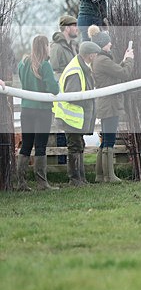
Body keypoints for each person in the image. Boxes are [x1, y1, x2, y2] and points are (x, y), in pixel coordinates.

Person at [88, 25, 134, 183]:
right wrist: (129, 60)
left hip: (106, 103)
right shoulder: (103, 60)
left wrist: (123, 60)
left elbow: (114, 73)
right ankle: (109, 175)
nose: (111, 45)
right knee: (109, 139)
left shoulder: (101, 60)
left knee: (106, 139)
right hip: (110, 104)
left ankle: (100, 175)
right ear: (102, 45)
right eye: (108, 43)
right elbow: (124, 73)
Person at [15, 35, 61, 191]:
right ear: (45, 46)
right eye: (48, 45)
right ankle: (42, 183)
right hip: (42, 111)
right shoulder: (45, 65)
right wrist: (56, 84)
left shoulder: (23, 63)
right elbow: (53, 89)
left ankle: (21, 182)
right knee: (40, 146)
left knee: (26, 145)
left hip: (26, 109)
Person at [53, 41, 101, 186]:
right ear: (91, 55)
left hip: (75, 118)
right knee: (75, 146)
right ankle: (75, 179)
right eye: (96, 54)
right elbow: (72, 96)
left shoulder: (80, 66)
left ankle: (80, 179)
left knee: (78, 145)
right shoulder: (75, 71)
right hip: (71, 118)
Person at [50, 14, 80, 165]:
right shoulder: (56, 47)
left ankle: (69, 164)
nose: (77, 28)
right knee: (61, 129)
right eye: (74, 25)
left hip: (73, 93)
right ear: (67, 28)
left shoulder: (74, 46)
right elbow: (54, 71)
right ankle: (61, 164)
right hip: (62, 94)